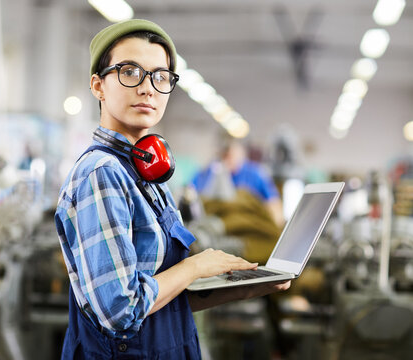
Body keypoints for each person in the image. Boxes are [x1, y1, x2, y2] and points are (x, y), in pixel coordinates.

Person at [54, 19, 290, 359]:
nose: (148, 88)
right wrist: (195, 266)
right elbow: (121, 311)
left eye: (160, 76)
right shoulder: (102, 174)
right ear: (98, 86)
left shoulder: (147, 174)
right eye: (130, 72)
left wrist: (246, 288)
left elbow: (166, 297)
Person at [193, 139, 285, 226]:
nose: (229, 159)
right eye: (226, 155)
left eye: (232, 154)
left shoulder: (255, 174)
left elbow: (274, 205)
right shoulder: (208, 173)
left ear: (241, 153)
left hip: (248, 224)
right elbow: (192, 195)